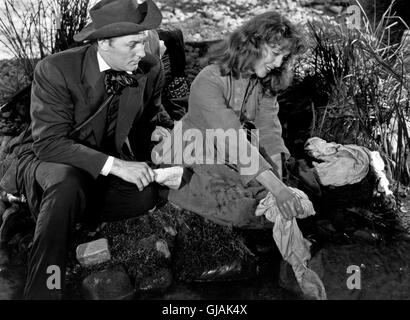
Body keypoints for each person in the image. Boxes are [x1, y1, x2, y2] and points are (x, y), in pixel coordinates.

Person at [152, 11, 327, 299]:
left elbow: (270, 133)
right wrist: (278, 190)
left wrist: (280, 184)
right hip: (196, 150)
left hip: (235, 154)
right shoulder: (209, 80)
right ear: (252, 44)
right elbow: (232, 138)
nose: (278, 63)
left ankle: (291, 252)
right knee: (238, 205)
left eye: (284, 58)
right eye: (274, 54)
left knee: (278, 194)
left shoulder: (264, 84)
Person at [14, 0, 173, 299]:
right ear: (103, 43)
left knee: (145, 194)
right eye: (133, 44)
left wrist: (158, 139)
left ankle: (57, 212)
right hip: (49, 157)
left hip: (98, 164)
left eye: (143, 42)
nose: (143, 52)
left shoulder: (149, 69)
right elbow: (49, 143)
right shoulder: (55, 69)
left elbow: (142, 127)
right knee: (66, 185)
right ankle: (45, 289)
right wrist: (118, 166)